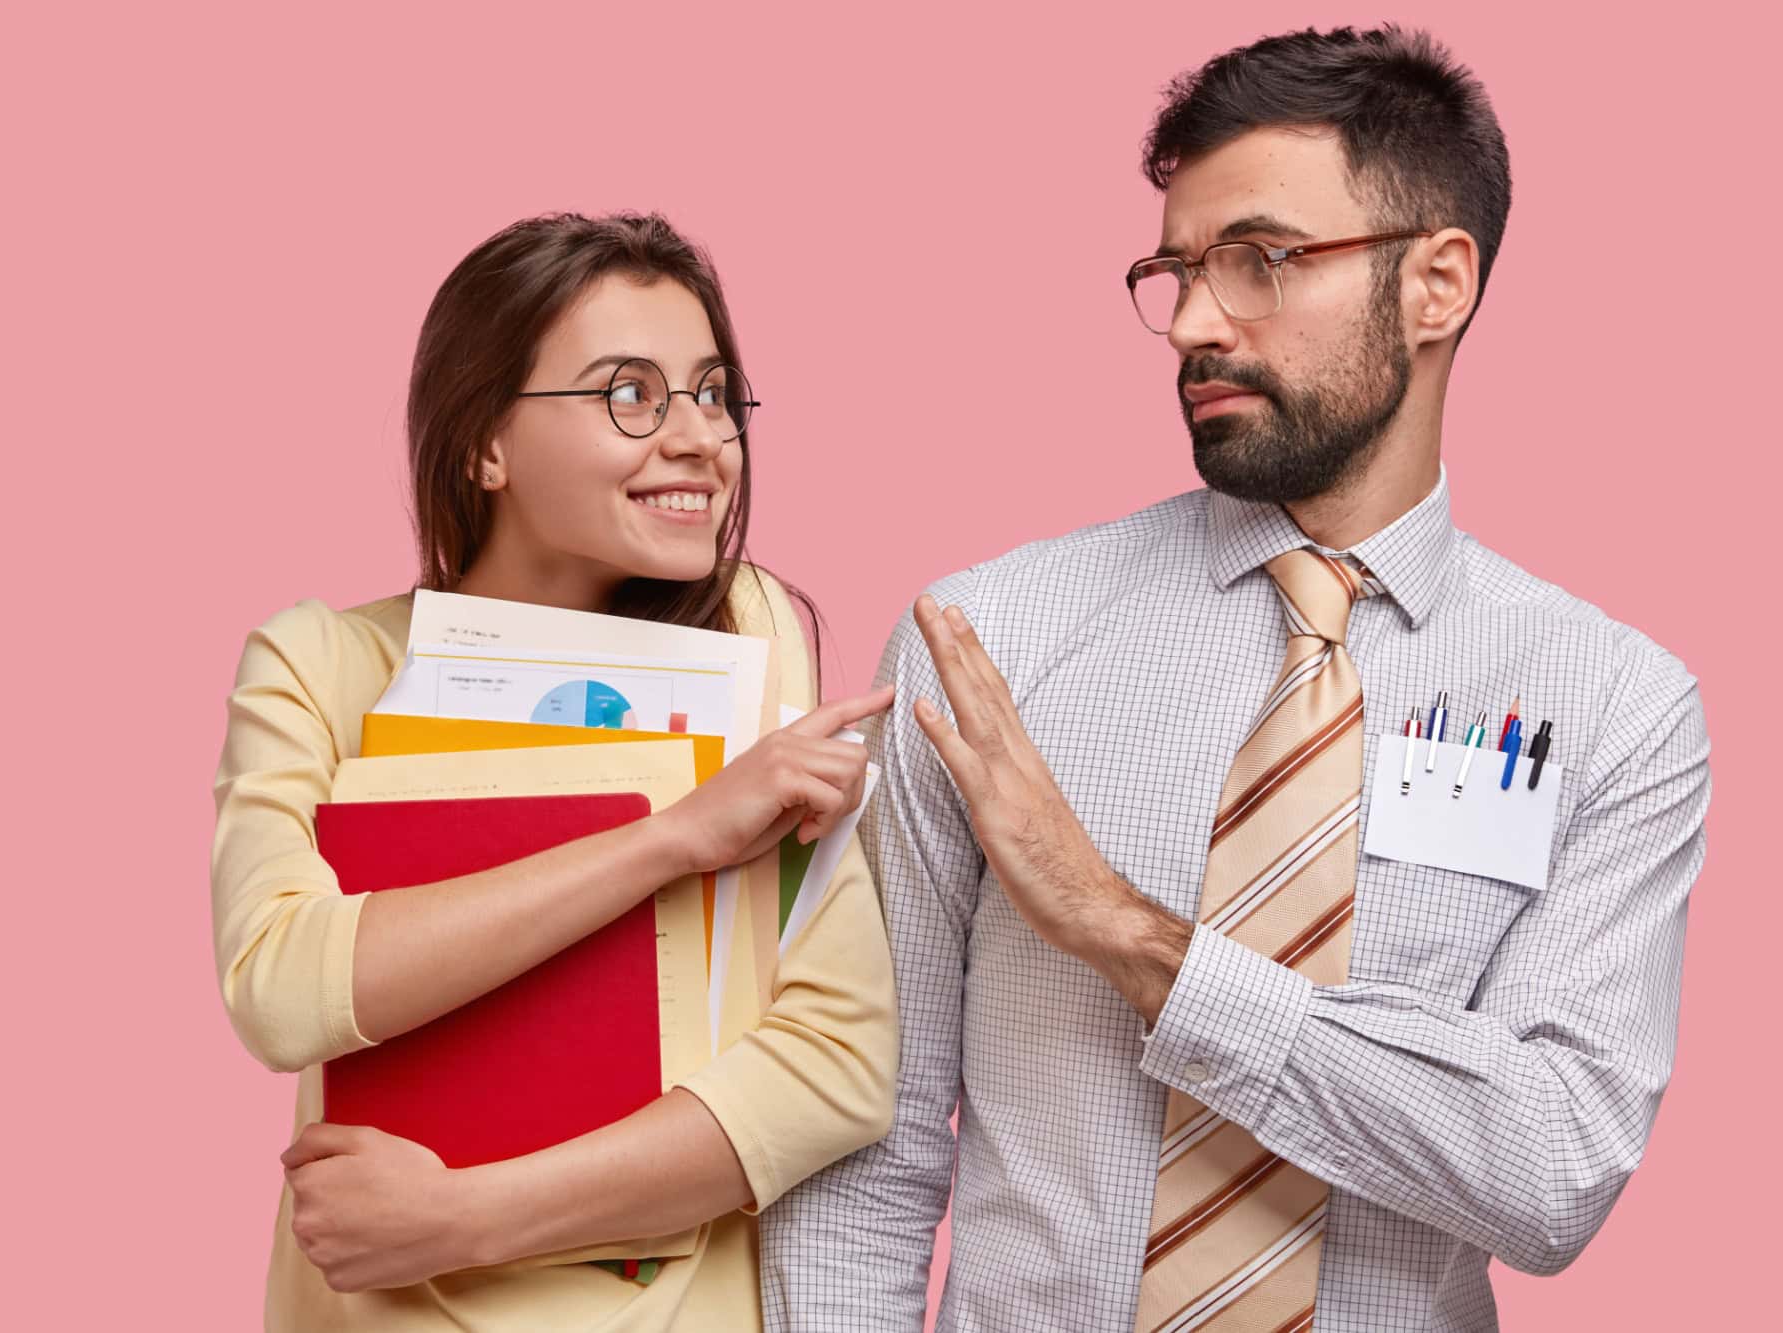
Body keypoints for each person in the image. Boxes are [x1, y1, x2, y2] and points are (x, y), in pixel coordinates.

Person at [763, 26, 1710, 1333]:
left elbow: (1549, 1169)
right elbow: (861, 1137)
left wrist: (1131, 938)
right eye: (1176, 270)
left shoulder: (1612, 706)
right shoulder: (985, 647)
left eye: (1260, 261)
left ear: (1437, 283)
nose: (1194, 323)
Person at [210, 212, 899, 1331]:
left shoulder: (749, 637)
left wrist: (467, 1217)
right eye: (630, 394)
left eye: (713, 393)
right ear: (486, 441)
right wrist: (669, 835)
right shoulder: (323, 663)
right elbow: (283, 990)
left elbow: (836, 1065)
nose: (700, 439)